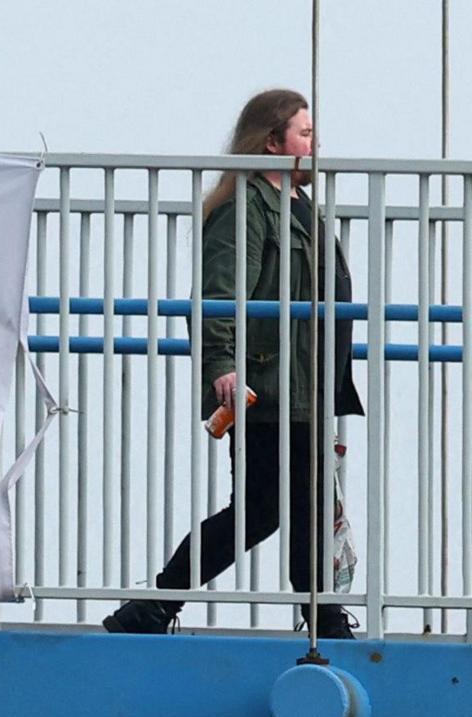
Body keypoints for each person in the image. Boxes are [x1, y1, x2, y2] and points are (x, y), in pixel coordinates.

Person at [106, 88, 362, 638]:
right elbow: (219, 294)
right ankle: (156, 604)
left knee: (305, 505)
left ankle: (320, 615)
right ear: (272, 143)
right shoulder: (247, 208)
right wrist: (223, 363)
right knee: (262, 509)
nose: (315, 146)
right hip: (266, 384)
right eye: (305, 135)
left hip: (306, 386)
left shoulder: (301, 208)